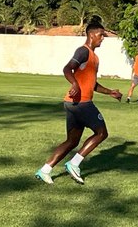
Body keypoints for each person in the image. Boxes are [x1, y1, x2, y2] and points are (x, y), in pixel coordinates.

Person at [34, 22, 122, 184]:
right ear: (91, 35)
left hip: (73, 103)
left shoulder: (94, 58)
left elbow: (92, 84)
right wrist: (74, 84)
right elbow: (67, 68)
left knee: (72, 141)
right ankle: (74, 164)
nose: (103, 38)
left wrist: (110, 92)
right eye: (101, 35)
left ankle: (44, 170)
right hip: (81, 103)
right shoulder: (83, 51)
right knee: (101, 133)